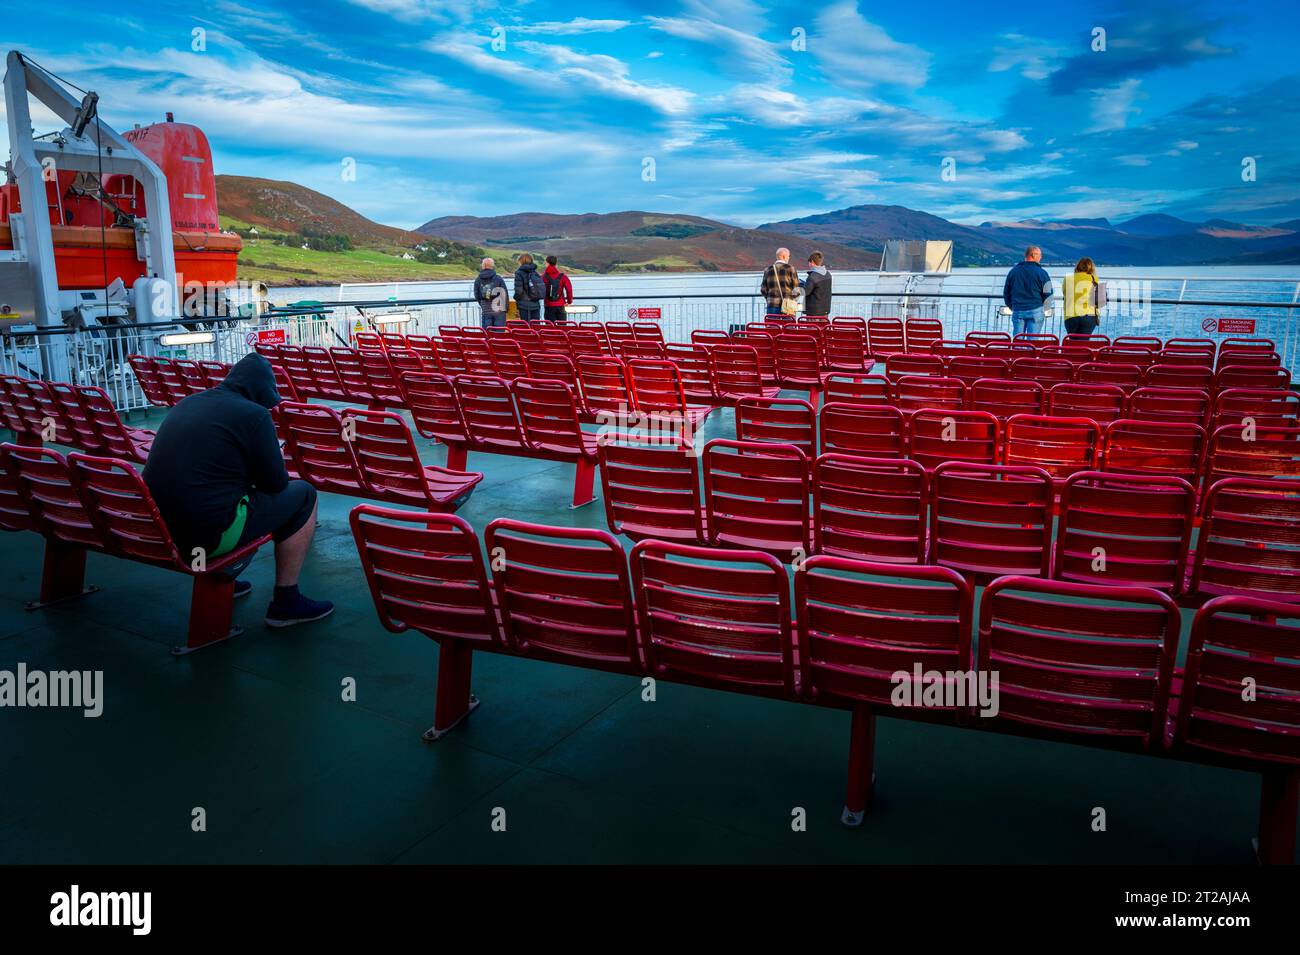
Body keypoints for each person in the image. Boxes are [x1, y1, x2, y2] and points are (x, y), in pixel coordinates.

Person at [142, 353, 334, 628]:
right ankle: (286, 601)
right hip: (207, 537)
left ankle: (224, 575)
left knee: (217, 496)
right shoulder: (254, 415)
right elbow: (276, 484)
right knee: (304, 494)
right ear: (261, 392)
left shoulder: (189, 402)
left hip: (161, 530)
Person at [1002, 245, 1053, 337]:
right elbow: (1048, 293)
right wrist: (1044, 309)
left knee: (1018, 342)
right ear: (1033, 255)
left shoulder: (1013, 271)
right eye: (1040, 255)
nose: (1041, 257)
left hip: (1018, 310)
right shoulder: (1042, 273)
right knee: (1032, 343)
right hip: (1036, 310)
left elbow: (1006, 292)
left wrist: (1013, 306)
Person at [1062, 257, 1100, 336]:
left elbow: (1064, 292)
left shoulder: (1068, 278)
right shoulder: (1094, 279)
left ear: (1077, 266)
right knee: (1083, 344)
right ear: (1091, 268)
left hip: (1071, 315)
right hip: (1089, 315)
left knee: (1073, 342)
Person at [761, 247, 801, 317]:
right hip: (788, 306)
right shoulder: (790, 269)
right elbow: (796, 289)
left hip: (772, 305)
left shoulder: (767, 270)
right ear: (784, 256)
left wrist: (770, 298)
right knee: (788, 327)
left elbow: (763, 289)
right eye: (788, 256)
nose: (789, 258)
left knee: (773, 327)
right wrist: (792, 299)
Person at [472, 257, 508, 328]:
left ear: (483, 266)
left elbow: (477, 295)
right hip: (499, 311)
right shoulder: (498, 278)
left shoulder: (478, 280)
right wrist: (505, 309)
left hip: (486, 311)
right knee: (499, 335)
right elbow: (504, 294)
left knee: (488, 335)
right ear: (492, 266)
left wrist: (483, 305)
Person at [513, 253, 545, 324]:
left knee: (525, 328)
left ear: (521, 261)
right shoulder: (535, 272)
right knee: (536, 327)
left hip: (524, 305)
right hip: (536, 304)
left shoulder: (519, 273)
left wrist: (515, 298)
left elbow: (519, 291)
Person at [542, 255, 574, 323]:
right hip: (560, 305)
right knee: (562, 328)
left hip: (548, 305)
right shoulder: (563, 276)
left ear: (547, 263)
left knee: (549, 328)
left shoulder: (544, 277)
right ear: (556, 264)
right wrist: (569, 301)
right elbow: (569, 290)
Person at [801, 251, 832, 317]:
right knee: (823, 327)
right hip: (825, 310)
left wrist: (797, 287)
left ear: (812, 262)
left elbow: (805, 292)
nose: (808, 265)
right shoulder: (828, 274)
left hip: (813, 311)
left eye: (809, 262)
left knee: (812, 327)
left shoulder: (813, 276)